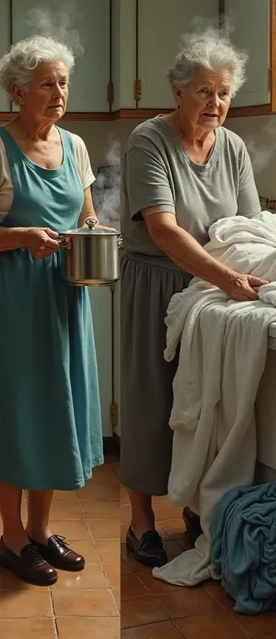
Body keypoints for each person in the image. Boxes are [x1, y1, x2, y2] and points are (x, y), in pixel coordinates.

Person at [0, 35, 111, 586]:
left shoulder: (76, 146)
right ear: (17, 92)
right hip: (13, 299)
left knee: (52, 409)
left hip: (64, 294)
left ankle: (41, 531)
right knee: (14, 410)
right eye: (47, 82)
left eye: (63, 82)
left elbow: (86, 215)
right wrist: (21, 235)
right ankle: (12, 537)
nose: (59, 92)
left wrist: (96, 235)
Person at [120, 30, 267, 568]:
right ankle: (141, 522)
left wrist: (243, 275)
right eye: (204, 91)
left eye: (224, 93)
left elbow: (247, 228)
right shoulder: (147, 140)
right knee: (150, 400)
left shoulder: (232, 146)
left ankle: (197, 508)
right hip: (158, 283)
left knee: (208, 401)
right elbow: (163, 229)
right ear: (178, 91)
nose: (215, 103)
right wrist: (228, 279)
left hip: (212, 289)